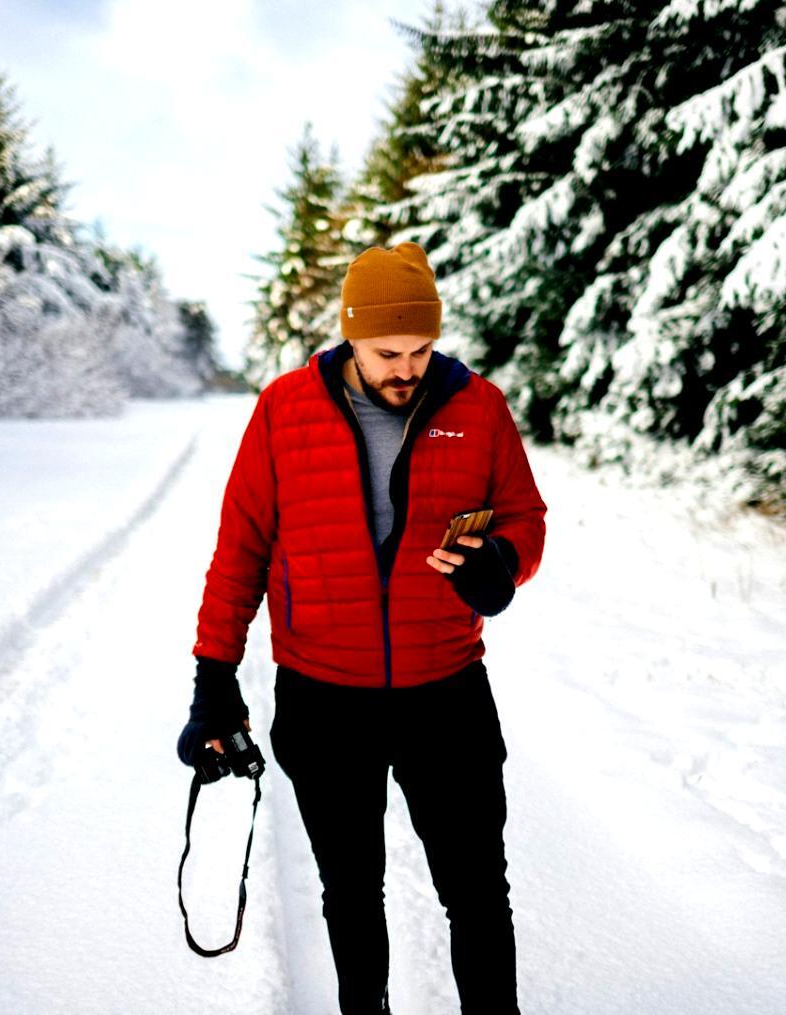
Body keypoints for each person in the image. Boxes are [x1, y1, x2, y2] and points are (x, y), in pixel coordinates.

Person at [178, 241, 547, 1014]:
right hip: (323, 697)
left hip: (446, 691)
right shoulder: (283, 409)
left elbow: (524, 516)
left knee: (477, 888)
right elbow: (240, 549)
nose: (406, 368)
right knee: (349, 887)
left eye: (420, 348)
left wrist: (500, 564)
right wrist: (214, 680)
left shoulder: (477, 406)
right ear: (350, 335)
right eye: (386, 352)